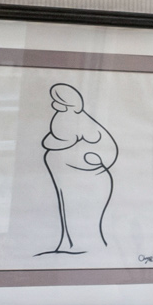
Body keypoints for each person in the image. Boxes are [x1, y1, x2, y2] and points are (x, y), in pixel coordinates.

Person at [37, 81, 120, 256]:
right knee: (68, 209)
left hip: (85, 177)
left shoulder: (71, 118)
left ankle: (82, 248)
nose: (54, 103)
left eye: (58, 99)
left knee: (78, 212)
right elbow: (54, 140)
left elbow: (62, 140)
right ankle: (69, 245)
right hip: (72, 175)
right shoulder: (66, 117)